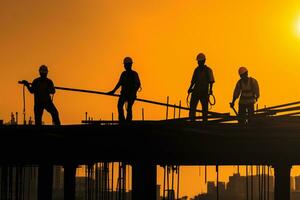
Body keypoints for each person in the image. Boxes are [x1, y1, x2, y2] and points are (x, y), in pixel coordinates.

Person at [108, 57, 141, 122]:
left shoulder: (134, 74)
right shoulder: (124, 74)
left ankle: (128, 121)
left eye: (126, 65)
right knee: (120, 105)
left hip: (131, 95)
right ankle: (122, 121)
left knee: (129, 108)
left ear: (129, 65)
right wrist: (113, 91)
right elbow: (119, 83)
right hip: (124, 94)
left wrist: (133, 92)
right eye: (125, 65)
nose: (125, 66)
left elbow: (138, 84)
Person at [187, 53, 215, 122]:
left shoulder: (208, 70)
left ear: (204, 61)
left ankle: (204, 122)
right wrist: (190, 88)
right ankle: (192, 120)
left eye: (200, 61)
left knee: (204, 109)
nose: (199, 63)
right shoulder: (196, 70)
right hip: (196, 91)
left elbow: (211, 81)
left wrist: (210, 90)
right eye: (198, 61)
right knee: (192, 108)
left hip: (204, 92)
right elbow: (193, 81)